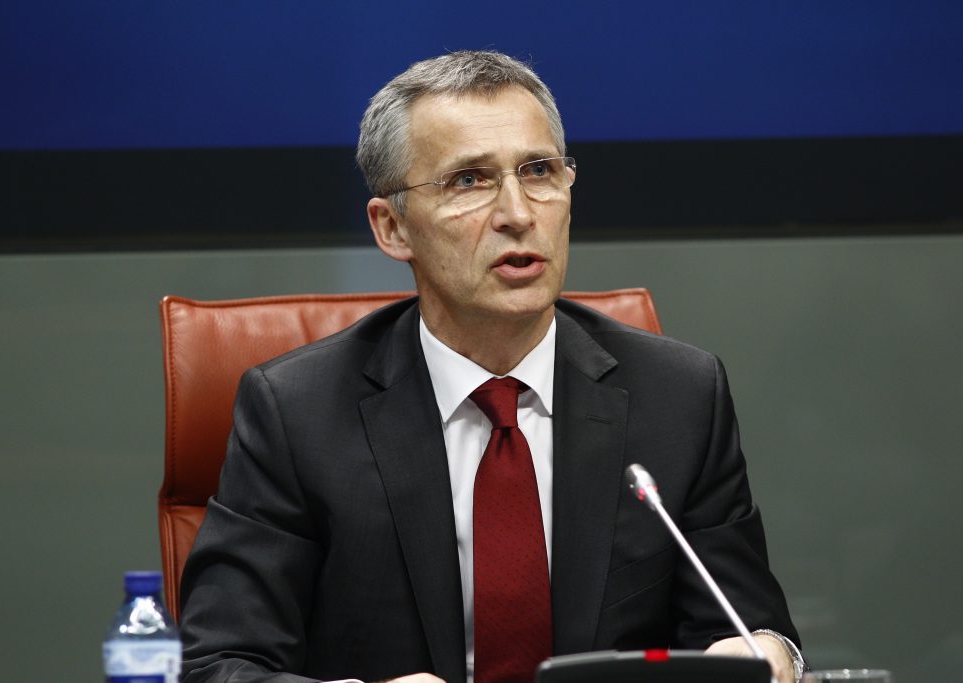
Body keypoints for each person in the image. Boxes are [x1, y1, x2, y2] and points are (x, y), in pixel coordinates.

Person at [179, 51, 804, 683]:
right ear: (393, 228)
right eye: (469, 181)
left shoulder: (679, 397)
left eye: (539, 171)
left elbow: (746, 625)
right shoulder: (297, 413)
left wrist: (766, 650)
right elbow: (219, 663)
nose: (518, 214)